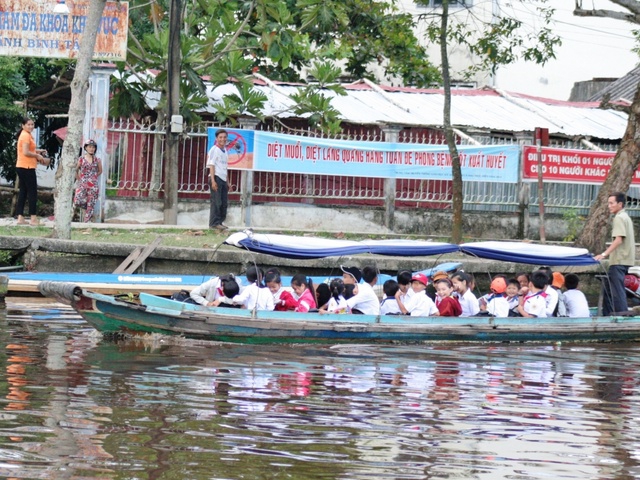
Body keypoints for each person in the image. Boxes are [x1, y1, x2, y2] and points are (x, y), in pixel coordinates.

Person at [595, 192, 636, 315]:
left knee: (617, 291)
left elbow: (619, 239)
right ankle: (607, 314)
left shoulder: (619, 218)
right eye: (608, 203)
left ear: (620, 204)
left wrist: (603, 254)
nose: (609, 206)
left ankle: (622, 316)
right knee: (609, 289)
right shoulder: (626, 217)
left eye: (611, 203)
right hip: (624, 260)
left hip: (619, 260)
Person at [15, 117, 49, 226]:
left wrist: (39, 151)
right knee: (32, 192)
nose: (31, 126)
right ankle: (33, 219)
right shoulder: (25, 135)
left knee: (23, 192)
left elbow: (29, 150)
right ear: (23, 125)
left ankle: (20, 217)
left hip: (22, 166)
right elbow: (25, 152)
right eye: (28, 124)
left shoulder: (27, 135)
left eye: (32, 124)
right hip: (27, 167)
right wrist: (37, 156)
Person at [73, 139, 103, 222]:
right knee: (78, 200)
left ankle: (87, 222)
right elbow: (75, 169)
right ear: (86, 148)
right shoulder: (81, 159)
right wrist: (79, 179)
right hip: (83, 183)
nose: (91, 149)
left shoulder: (97, 160)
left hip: (93, 184)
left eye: (93, 147)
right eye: (90, 147)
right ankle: (85, 207)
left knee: (91, 203)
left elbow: (100, 170)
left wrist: (93, 177)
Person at [207, 129, 229, 230]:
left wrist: (227, 181)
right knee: (216, 202)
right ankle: (214, 223)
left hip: (223, 178)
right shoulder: (214, 150)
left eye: (224, 137)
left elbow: (225, 167)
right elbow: (211, 165)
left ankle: (220, 222)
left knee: (224, 203)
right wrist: (213, 180)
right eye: (220, 137)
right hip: (216, 177)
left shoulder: (225, 151)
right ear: (216, 139)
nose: (222, 139)